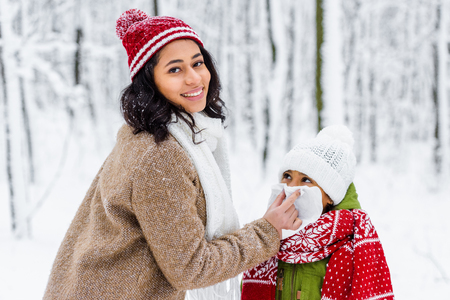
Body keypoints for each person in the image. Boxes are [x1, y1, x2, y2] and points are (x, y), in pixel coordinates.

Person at [43, 9, 302, 300]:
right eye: (175, 69)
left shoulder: (144, 135)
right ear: (149, 82)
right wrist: (268, 231)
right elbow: (191, 268)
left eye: (197, 63)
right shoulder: (160, 156)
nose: (194, 78)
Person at [241, 125, 394, 300]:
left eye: (306, 179)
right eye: (287, 176)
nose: (291, 188)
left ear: (329, 195)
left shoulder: (353, 246)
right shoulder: (268, 238)